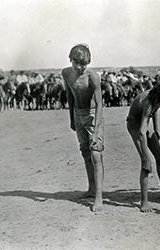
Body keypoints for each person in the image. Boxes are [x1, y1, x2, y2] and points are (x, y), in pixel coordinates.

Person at [126, 78, 160, 212]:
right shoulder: (149, 101)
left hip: (144, 125)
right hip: (134, 125)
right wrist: (145, 155)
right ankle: (144, 201)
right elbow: (141, 132)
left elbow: (154, 111)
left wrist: (156, 129)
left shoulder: (158, 97)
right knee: (146, 164)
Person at [62, 44, 105, 212]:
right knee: (85, 152)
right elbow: (69, 94)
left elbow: (100, 104)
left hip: (93, 115)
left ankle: (99, 197)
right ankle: (91, 189)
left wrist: (95, 131)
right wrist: (72, 119)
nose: (80, 68)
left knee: (96, 154)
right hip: (77, 114)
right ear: (70, 60)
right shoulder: (66, 73)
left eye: (84, 64)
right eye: (76, 63)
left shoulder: (93, 76)